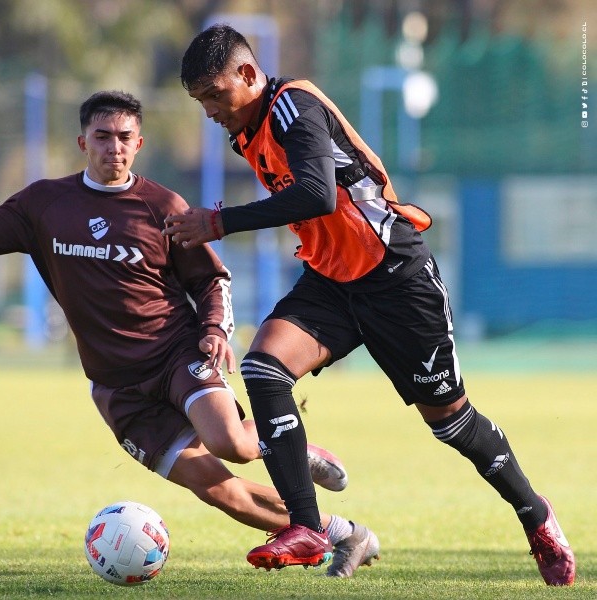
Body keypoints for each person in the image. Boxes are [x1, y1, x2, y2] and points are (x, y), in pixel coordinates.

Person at [162, 24, 576, 586]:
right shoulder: (249, 131)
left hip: (396, 278)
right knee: (263, 370)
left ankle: (534, 514)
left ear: (249, 74)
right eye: (200, 101)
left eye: (215, 94)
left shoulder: (292, 109)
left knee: (452, 423)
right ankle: (306, 528)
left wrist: (219, 221)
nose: (210, 110)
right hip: (332, 282)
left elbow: (317, 194)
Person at [0, 90, 380, 578]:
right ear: (82, 142)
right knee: (220, 491)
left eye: (124, 137)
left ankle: (288, 444)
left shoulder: (162, 205)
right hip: (117, 388)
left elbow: (210, 278)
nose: (114, 147)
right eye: (103, 136)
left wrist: (215, 328)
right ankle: (345, 533)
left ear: (139, 144)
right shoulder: (43, 204)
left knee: (232, 445)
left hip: (176, 355)